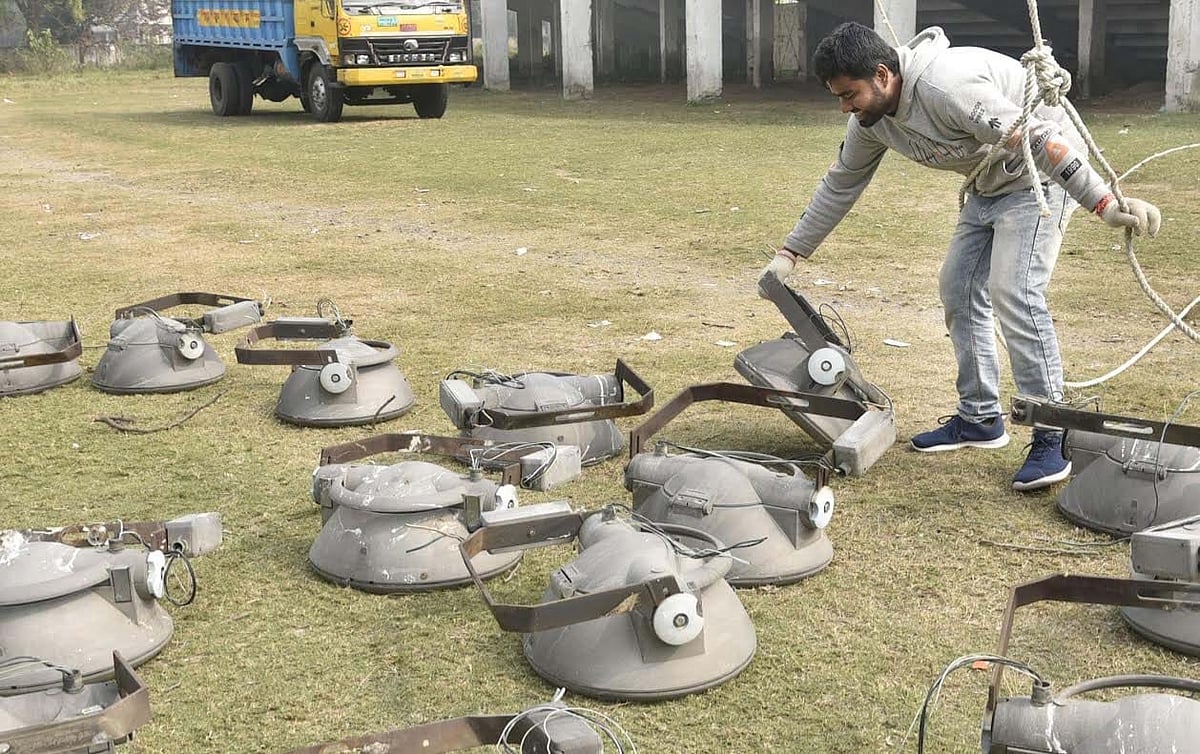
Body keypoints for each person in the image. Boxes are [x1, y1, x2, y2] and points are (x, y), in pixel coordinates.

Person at [762, 22, 1161, 491]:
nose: (846, 107)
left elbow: (1038, 139)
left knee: (1015, 291)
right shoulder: (871, 122)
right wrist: (790, 254)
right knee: (958, 288)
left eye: (850, 94)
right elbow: (841, 183)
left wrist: (1104, 203)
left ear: (883, 75)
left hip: (1039, 177)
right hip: (989, 185)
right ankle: (979, 418)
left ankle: (1053, 432)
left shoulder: (945, 86)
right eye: (839, 98)